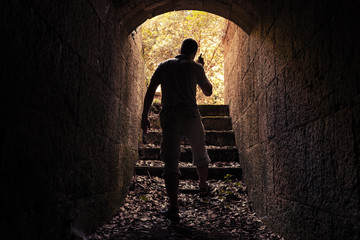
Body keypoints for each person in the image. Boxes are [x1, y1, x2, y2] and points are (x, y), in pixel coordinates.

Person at [141, 38, 213, 222]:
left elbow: (150, 90)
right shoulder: (196, 67)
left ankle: (174, 207)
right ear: (194, 52)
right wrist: (200, 69)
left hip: (170, 116)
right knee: (199, 151)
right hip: (190, 114)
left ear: (180, 49)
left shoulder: (164, 65)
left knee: (171, 160)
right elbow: (208, 92)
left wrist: (144, 116)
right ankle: (203, 187)